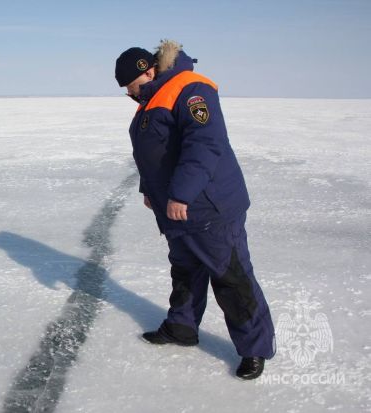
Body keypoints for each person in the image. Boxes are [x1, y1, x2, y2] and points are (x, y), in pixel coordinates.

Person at [115, 40, 276, 380]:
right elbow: (154, 154)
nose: (131, 95)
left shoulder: (190, 88)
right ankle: (182, 328)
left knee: (231, 277)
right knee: (186, 271)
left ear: (148, 70)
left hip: (208, 207)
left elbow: (204, 144)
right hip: (177, 212)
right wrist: (149, 191)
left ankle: (255, 349)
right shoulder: (151, 99)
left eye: (133, 87)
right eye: (127, 92)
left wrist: (182, 195)